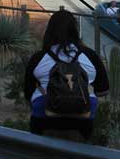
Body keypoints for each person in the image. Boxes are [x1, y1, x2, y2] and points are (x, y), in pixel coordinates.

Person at [24, 10, 109, 141]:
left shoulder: (39, 58)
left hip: (44, 119)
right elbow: (103, 90)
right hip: (82, 121)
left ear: (50, 30)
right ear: (75, 30)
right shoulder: (90, 56)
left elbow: (28, 93)